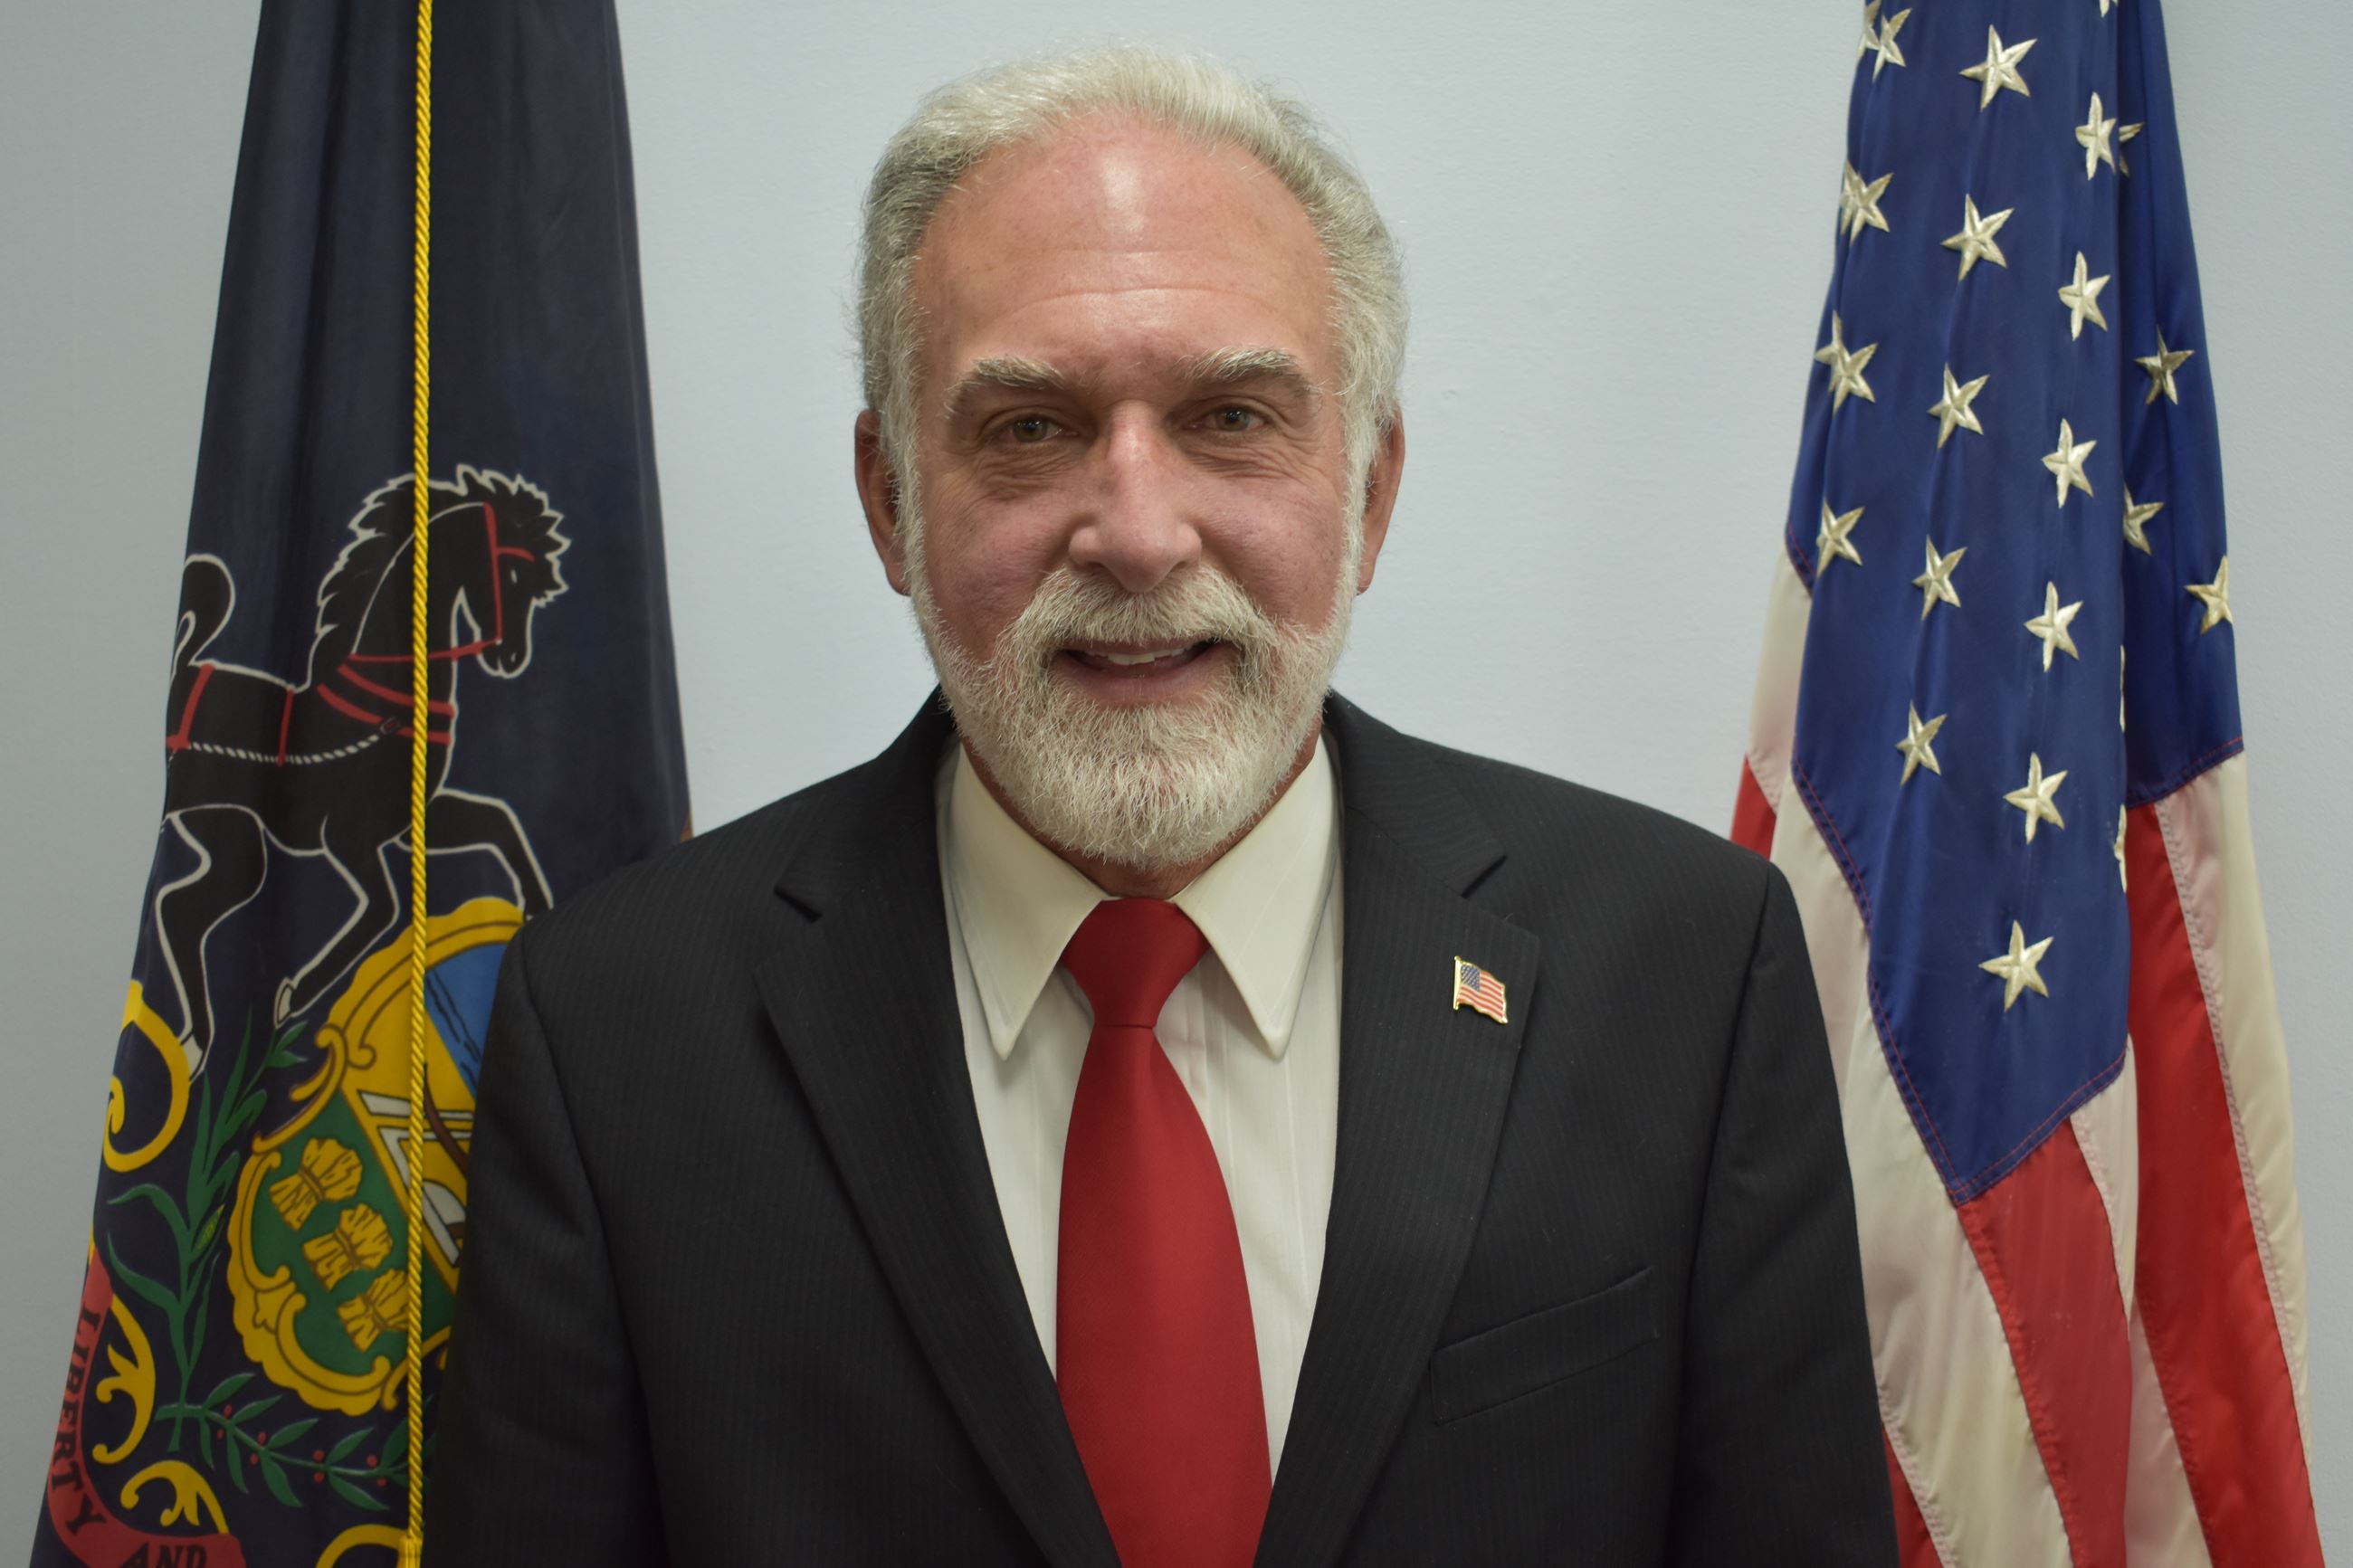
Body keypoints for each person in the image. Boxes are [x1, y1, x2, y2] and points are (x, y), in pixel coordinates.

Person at [426, 44, 1894, 1567]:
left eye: (1233, 418)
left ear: (1372, 493)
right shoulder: (614, 1030)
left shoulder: (1683, 971)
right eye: (1029, 429)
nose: (1134, 532)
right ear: (889, 506)